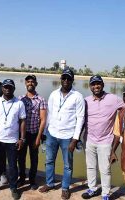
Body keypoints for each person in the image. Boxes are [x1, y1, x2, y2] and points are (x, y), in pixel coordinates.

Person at [82, 76, 125, 200]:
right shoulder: (85, 100)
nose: (96, 86)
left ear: (103, 85)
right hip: (89, 140)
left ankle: (105, 193)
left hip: (105, 141)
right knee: (90, 166)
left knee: (105, 169)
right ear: (90, 86)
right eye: (93, 84)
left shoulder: (113, 99)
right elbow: (80, 118)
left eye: (98, 84)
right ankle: (92, 188)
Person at [39, 69, 85, 200]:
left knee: (67, 165)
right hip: (52, 134)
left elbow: (80, 119)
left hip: (68, 136)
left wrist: (75, 140)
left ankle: (65, 188)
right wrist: (45, 132)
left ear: (72, 80)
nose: (66, 81)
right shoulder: (54, 94)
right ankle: (50, 183)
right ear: (60, 79)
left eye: (68, 78)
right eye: (64, 78)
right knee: (49, 161)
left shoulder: (78, 96)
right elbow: (49, 114)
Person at [0, 79, 26, 200]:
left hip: (12, 140)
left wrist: (22, 138)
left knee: (13, 165)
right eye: (5, 87)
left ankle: (13, 188)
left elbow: (23, 121)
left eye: (10, 87)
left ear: (13, 89)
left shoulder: (19, 103)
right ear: (2, 88)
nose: (7, 89)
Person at [17, 74, 47, 190]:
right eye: (28, 81)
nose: (30, 83)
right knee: (21, 157)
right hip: (22, 134)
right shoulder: (20, 99)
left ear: (36, 84)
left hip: (34, 133)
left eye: (32, 81)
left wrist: (39, 136)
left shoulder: (41, 99)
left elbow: (43, 119)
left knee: (34, 158)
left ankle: (32, 180)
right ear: (25, 83)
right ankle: (22, 177)